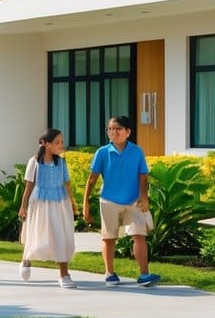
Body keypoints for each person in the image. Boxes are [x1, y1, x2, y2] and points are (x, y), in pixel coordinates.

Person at [82, 116, 161, 287]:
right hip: (108, 201)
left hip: (133, 201)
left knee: (139, 235)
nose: (113, 132)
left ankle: (144, 275)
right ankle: (110, 273)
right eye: (110, 129)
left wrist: (144, 197)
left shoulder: (137, 151)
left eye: (117, 129)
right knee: (109, 238)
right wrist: (85, 203)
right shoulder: (102, 153)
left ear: (128, 132)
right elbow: (92, 179)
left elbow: (143, 176)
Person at [18, 129, 78, 288]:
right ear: (45, 144)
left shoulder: (61, 162)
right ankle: (26, 258)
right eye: (57, 142)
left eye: (62, 142)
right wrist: (23, 207)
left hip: (60, 203)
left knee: (61, 235)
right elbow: (29, 186)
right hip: (40, 203)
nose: (61, 145)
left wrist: (72, 202)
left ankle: (64, 275)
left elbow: (67, 183)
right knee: (36, 232)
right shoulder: (34, 162)